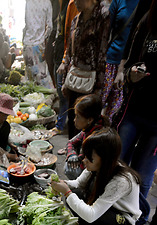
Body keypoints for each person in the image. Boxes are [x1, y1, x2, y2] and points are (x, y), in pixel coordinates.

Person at [51, 127, 141, 225]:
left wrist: (67, 192)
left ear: (104, 159)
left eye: (89, 157)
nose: (84, 160)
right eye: (85, 155)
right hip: (107, 205)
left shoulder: (121, 181)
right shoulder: (97, 166)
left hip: (122, 217)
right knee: (77, 194)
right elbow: (78, 183)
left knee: (93, 216)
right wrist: (63, 184)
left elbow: (92, 215)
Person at [116, 0, 157, 198]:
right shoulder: (147, 19)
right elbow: (130, 62)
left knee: (142, 176)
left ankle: (135, 217)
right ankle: (110, 210)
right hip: (134, 109)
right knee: (117, 164)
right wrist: (131, 74)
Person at [61, 0, 110, 138]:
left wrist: (99, 89)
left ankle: (84, 153)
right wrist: (65, 80)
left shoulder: (103, 16)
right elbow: (71, 53)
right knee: (73, 118)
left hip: (91, 82)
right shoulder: (76, 19)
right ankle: (71, 151)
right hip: (74, 78)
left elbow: (102, 54)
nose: (75, 2)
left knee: (87, 122)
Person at [101, 0, 139, 124]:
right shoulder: (119, 1)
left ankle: (104, 139)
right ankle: (88, 138)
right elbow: (105, 31)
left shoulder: (145, 4)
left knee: (114, 112)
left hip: (129, 67)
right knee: (97, 104)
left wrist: (123, 69)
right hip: (110, 60)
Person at [62, 94, 108, 179]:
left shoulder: (97, 138)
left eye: (77, 117)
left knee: (70, 169)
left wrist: (77, 159)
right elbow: (71, 142)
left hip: (94, 172)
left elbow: (87, 161)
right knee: (71, 160)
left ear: (90, 120)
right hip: (87, 164)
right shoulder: (88, 129)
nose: (74, 120)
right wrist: (72, 155)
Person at [49, 0, 70, 136]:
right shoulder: (60, 5)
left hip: (63, 57)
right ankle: (61, 123)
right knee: (60, 91)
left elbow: (70, 35)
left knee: (63, 94)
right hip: (58, 54)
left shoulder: (71, 4)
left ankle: (60, 125)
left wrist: (64, 59)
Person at [22, 0, 53, 88]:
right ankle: (43, 101)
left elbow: (26, 22)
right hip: (38, 45)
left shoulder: (28, 1)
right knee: (42, 80)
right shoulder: (47, 2)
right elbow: (50, 27)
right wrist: (43, 38)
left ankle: (33, 100)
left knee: (31, 82)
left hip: (27, 45)